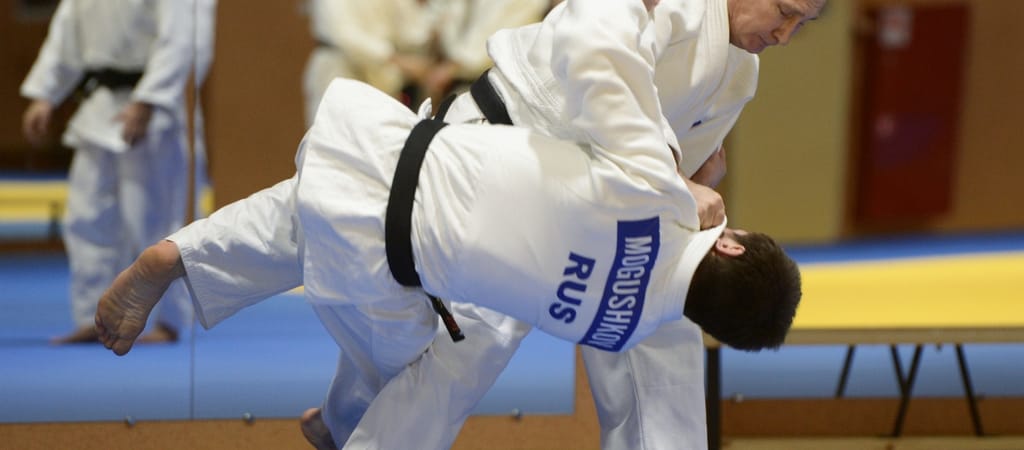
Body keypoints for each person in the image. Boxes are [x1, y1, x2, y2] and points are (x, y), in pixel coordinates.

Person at [127, 0, 825, 448]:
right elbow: (597, 58)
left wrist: (690, 180)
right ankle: (347, 422)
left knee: (659, 335)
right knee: (453, 339)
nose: (786, 35)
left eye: (804, 24)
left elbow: (679, 178)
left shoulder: (740, 75)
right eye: (785, 12)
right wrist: (668, 175)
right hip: (514, 155)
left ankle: (343, 416)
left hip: (596, 212)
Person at [95, 78, 802, 404]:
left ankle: (182, 253)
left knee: (300, 212)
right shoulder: (627, 329)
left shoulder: (664, 200)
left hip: (390, 145)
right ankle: (341, 423)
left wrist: (691, 183)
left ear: (729, 245)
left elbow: (623, 144)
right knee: (410, 376)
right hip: (379, 266)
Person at [20, 0, 203, 344]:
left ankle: (167, 321)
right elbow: (66, 32)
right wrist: (45, 95)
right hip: (98, 107)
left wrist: (148, 100)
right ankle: (96, 317)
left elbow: (178, 39)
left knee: (154, 220)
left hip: (150, 109)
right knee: (86, 217)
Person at [302, 0, 435, 126]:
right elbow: (344, 35)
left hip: (382, 77)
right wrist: (396, 59)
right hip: (339, 69)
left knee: (382, 136)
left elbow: (413, 29)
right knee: (334, 133)